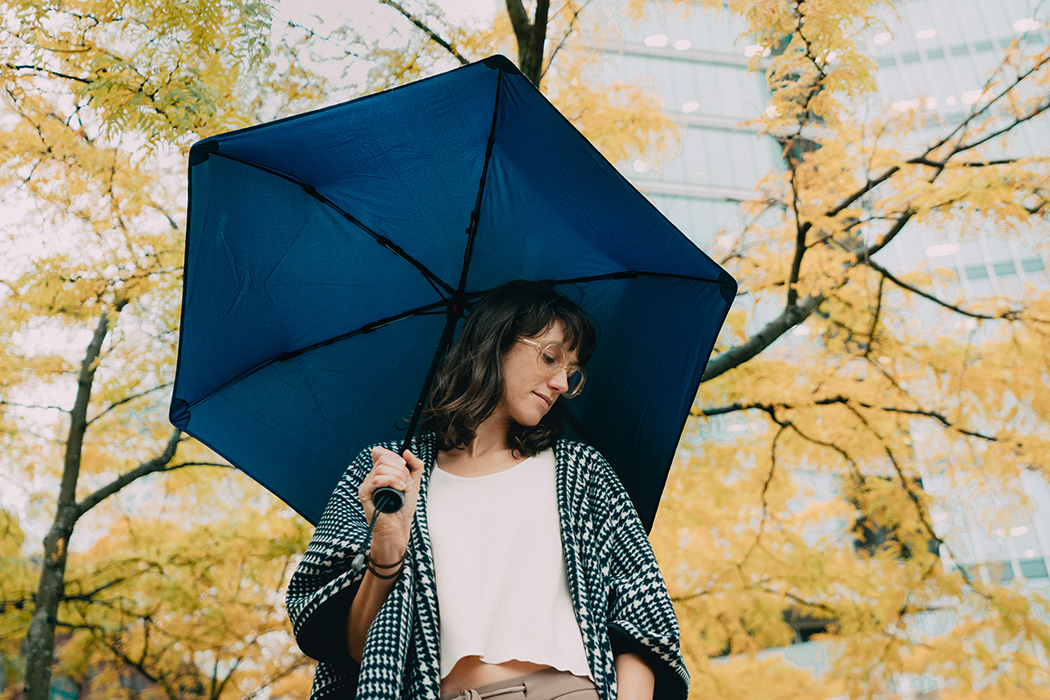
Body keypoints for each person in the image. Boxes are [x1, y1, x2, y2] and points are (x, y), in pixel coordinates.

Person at [286, 281, 688, 700]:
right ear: (496, 343)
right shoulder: (391, 475)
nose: (562, 383)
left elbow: (644, 618)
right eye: (550, 357)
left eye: (571, 371)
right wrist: (386, 552)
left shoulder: (580, 471)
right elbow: (352, 651)